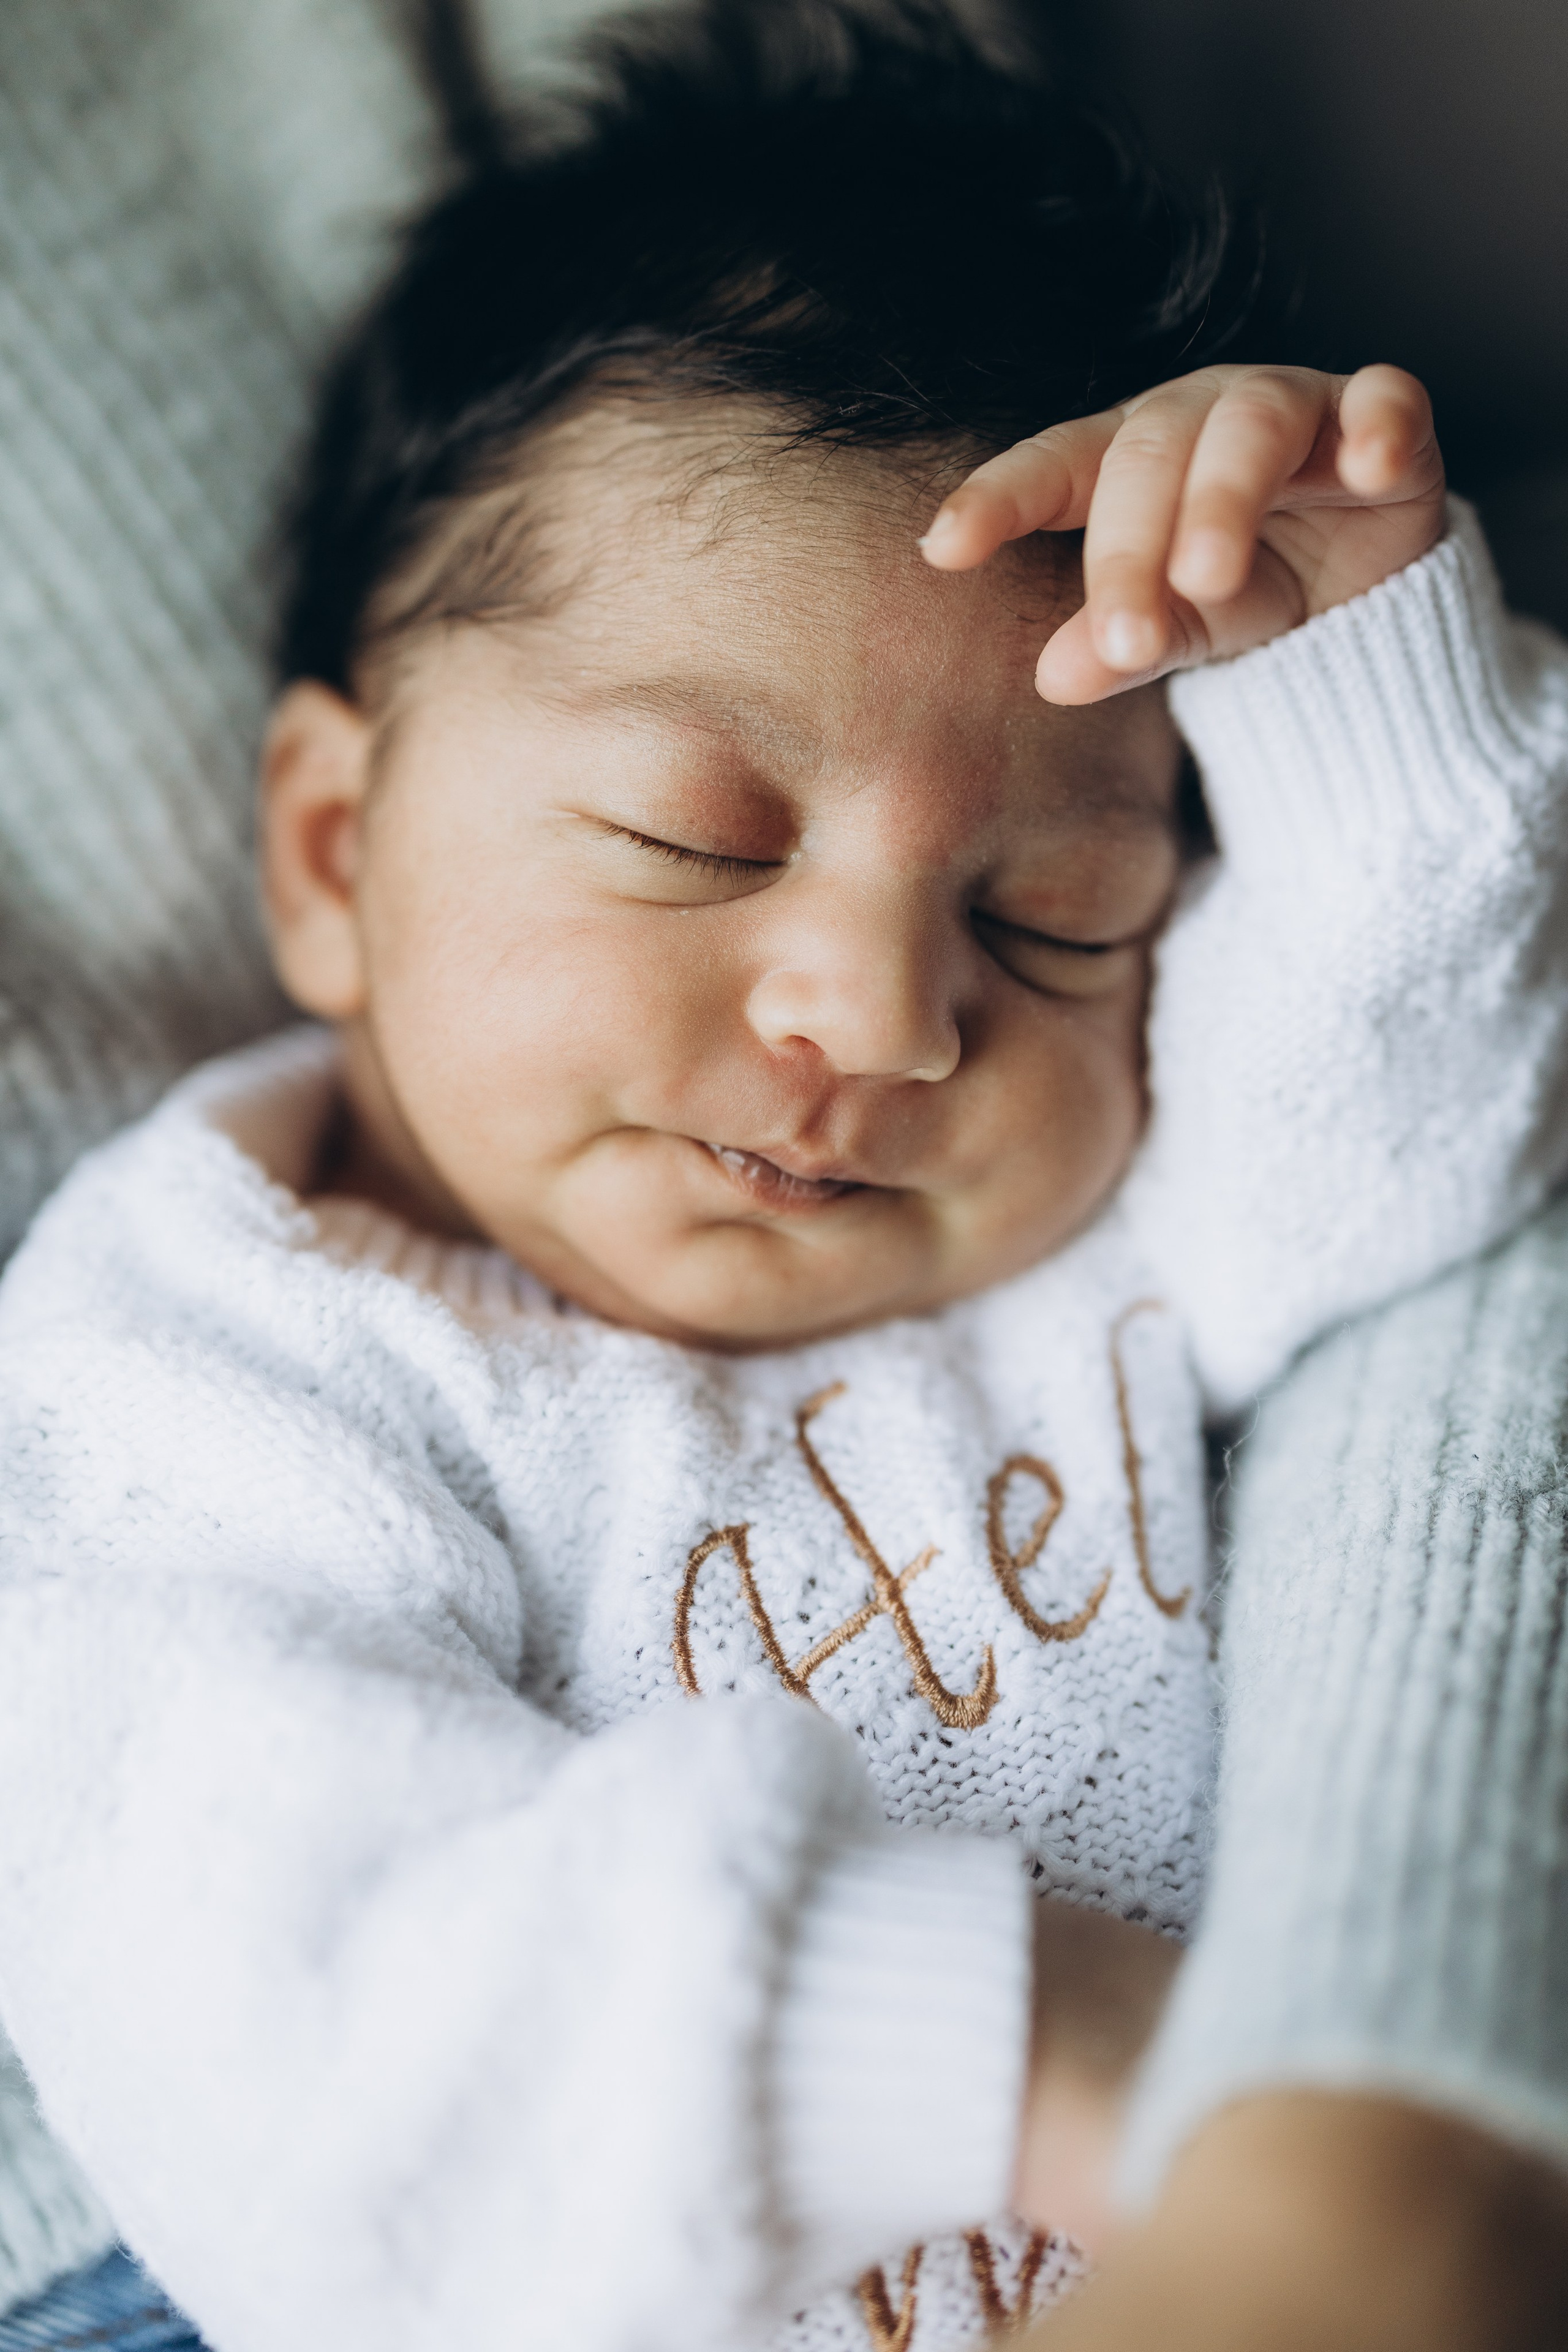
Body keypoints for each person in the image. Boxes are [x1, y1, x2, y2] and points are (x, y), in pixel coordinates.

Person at [0, 4, 1566, 2347]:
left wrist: (1351, 679)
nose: (889, 1014)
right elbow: (235, 1913)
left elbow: (1430, 1154)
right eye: (697, 842)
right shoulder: (212, 1340)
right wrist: (1043, 2050)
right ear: (331, 852)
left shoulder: (1122, 1208)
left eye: (1056, 921)